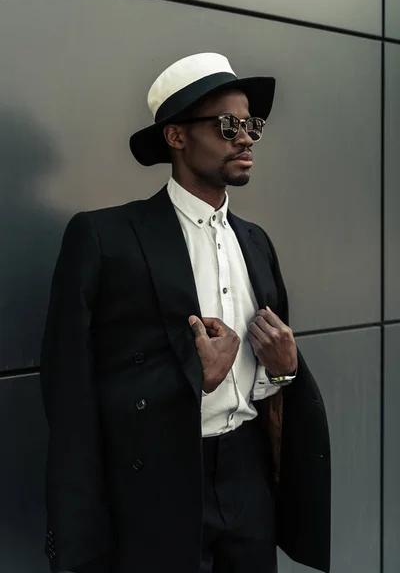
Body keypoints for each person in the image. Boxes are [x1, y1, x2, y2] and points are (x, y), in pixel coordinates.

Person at [40, 53, 331, 573]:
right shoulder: (105, 238)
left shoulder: (256, 242)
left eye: (251, 125)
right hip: (156, 481)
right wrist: (191, 378)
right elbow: (70, 392)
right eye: (227, 125)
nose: (244, 138)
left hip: (249, 474)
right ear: (175, 137)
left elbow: (272, 372)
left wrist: (285, 367)